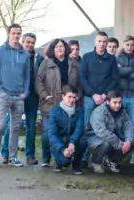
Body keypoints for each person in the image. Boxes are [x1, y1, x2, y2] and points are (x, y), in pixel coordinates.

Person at [1, 33, 44, 165]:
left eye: (32, 43)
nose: (30, 45)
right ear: (23, 42)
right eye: (28, 42)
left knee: (31, 125)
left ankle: (30, 155)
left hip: (32, 95)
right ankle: (5, 154)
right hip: (15, 94)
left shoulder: (39, 58)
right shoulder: (14, 55)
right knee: (11, 124)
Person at [36, 38, 80, 167]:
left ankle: (59, 158)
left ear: (65, 48)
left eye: (62, 46)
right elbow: (38, 80)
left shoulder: (73, 63)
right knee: (46, 133)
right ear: (52, 49)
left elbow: (80, 82)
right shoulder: (46, 63)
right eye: (57, 47)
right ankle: (45, 158)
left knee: (64, 132)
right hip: (51, 103)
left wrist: (77, 97)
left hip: (69, 102)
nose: (60, 48)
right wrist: (44, 95)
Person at [79, 31, 119, 167]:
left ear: (107, 43)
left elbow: (114, 79)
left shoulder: (112, 60)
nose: (102, 44)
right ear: (95, 42)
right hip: (90, 98)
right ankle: (83, 157)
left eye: (104, 42)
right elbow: (82, 78)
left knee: (105, 127)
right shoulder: (87, 57)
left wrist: (104, 95)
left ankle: (101, 158)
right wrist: (93, 94)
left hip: (105, 99)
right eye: (99, 41)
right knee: (86, 127)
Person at [0, 23, 30, 167]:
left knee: (15, 128)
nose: (16, 36)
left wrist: (25, 93)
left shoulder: (25, 54)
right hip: (4, 95)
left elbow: (27, 76)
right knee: (0, 126)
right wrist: (0, 90)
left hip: (19, 97)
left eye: (18, 33)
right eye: (14, 33)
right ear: (8, 34)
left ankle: (12, 157)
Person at [84, 91, 134, 173]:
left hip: (112, 136)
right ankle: (95, 162)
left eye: (119, 102)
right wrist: (120, 144)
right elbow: (102, 132)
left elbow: (128, 127)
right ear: (107, 102)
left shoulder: (122, 111)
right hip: (94, 137)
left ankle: (112, 161)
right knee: (107, 144)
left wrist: (128, 141)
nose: (118, 105)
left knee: (130, 142)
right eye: (115, 102)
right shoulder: (99, 112)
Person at [49, 85, 86, 174]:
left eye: (74, 97)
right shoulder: (54, 111)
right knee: (65, 162)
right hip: (59, 141)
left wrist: (72, 142)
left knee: (83, 142)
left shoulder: (80, 111)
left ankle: (76, 165)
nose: (72, 100)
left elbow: (79, 128)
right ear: (63, 96)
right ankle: (58, 161)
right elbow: (52, 134)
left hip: (72, 140)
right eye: (69, 97)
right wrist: (62, 149)